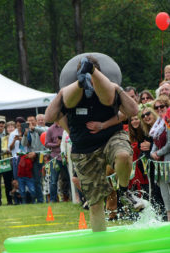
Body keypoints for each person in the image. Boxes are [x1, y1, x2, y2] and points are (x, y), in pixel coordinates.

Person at [45, 54, 141, 232]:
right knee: (96, 205)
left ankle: (124, 190)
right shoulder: (70, 93)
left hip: (111, 137)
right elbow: (49, 117)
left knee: (123, 155)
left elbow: (133, 110)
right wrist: (69, 128)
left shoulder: (109, 89)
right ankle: (102, 247)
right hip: (84, 149)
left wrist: (117, 89)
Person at [150, 96, 170, 221]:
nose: (159, 109)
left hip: (169, 160)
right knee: (164, 193)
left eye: (162, 106)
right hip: (159, 163)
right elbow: (155, 141)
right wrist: (152, 153)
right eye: (157, 107)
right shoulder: (157, 124)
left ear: (167, 106)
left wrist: (158, 153)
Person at [21, 115, 46, 203]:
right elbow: (23, 144)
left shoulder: (41, 129)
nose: (30, 123)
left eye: (32, 121)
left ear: (35, 121)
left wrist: (33, 128)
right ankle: (39, 199)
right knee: (36, 180)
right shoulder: (28, 132)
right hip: (33, 157)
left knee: (43, 179)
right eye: (28, 122)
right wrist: (24, 134)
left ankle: (45, 199)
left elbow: (43, 133)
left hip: (43, 156)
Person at [45, 122, 70, 202]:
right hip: (55, 157)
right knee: (53, 180)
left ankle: (66, 197)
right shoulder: (50, 129)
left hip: (66, 157)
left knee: (66, 178)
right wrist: (56, 144)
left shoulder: (66, 126)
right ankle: (53, 199)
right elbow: (46, 143)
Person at [0, 116, 13, 205]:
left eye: (3, 123)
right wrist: (3, 150)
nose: (1, 124)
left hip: (7, 161)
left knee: (8, 182)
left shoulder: (8, 135)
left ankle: (10, 201)